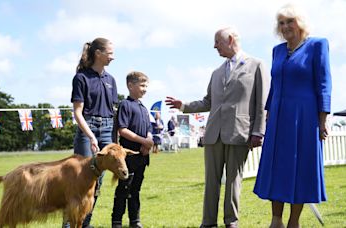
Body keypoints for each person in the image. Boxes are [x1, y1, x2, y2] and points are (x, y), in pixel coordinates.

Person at [165, 27, 269, 228]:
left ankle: (231, 222)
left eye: (217, 42)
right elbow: (208, 102)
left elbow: (261, 102)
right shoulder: (216, 72)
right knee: (211, 182)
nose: (214, 46)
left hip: (240, 133)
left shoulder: (257, 65)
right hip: (213, 134)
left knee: (233, 181)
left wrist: (258, 131)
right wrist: (183, 105)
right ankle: (208, 222)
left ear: (230, 40)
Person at [253, 4, 332, 228]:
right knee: (276, 165)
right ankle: (275, 220)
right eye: (281, 22)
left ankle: (293, 221)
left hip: (305, 117)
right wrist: (268, 114)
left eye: (290, 21)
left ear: (301, 23)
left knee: (301, 165)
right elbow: (275, 87)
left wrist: (322, 118)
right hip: (278, 117)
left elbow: (324, 83)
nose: (286, 26)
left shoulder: (318, 45)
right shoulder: (277, 50)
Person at [67, 37, 117, 228]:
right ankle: (70, 224)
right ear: (98, 53)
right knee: (81, 182)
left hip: (107, 131)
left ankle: (85, 223)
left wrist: (113, 141)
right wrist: (90, 136)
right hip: (88, 129)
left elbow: (112, 111)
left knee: (97, 183)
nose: (113, 57)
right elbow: (77, 112)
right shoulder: (81, 78)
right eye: (110, 53)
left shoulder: (111, 80)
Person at [111, 71, 154, 228]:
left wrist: (148, 142)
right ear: (130, 85)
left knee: (135, 189)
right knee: (124, 189)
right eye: (142, 85)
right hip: (128, 157)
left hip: (142, 156)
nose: (145, 89)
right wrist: (143, 141)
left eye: (146, 86)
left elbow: (149, 129)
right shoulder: (125, 105)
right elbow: (123, 129)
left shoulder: (143, 108)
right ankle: (116, 221)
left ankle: (135, 221)